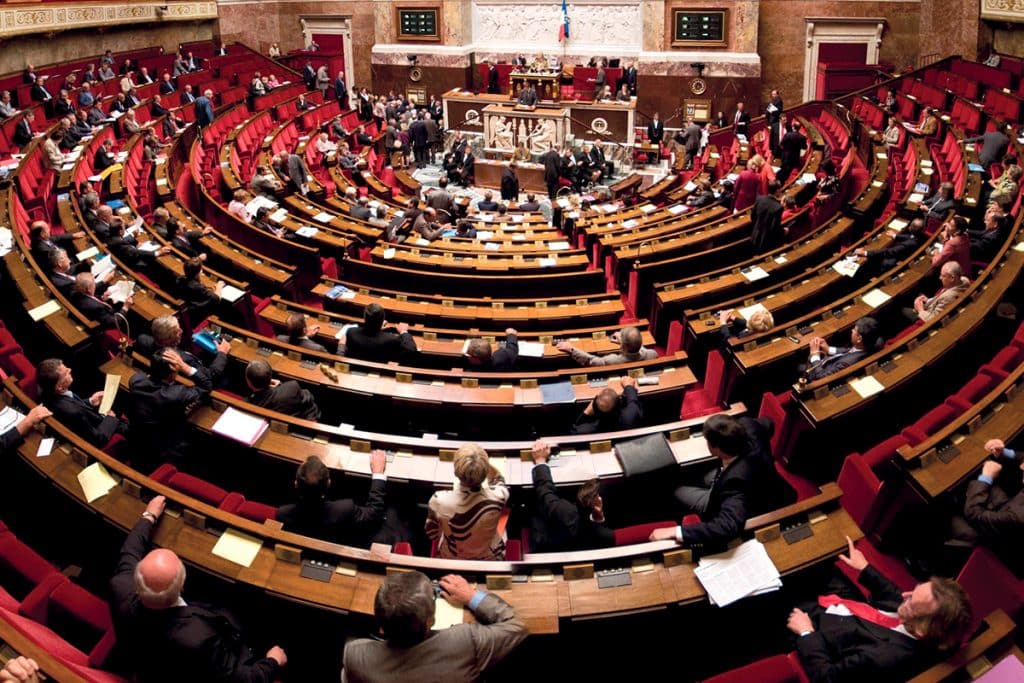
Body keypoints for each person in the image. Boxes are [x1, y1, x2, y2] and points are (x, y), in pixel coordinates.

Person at [109, 495, 287, 682]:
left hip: (144, 661)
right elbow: (243, 678)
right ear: (183, 585)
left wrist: (149, 516)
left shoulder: (120, 586)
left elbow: (130, 550)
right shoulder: (199, 637)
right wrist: (272, 661)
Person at [786, 537, 972, 683]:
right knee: (820, 561)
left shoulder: (880, 658)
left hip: (821, 626)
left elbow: (827, 677)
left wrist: (806, 633)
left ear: (921, 630)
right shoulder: (938, 626)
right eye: (914, 590)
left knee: (785, 584)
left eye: (911, 602)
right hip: (857, 611)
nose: (904, 595)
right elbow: (897, 595)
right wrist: (865, 567)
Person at [341, 570, 526, 682]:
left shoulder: (354, 656)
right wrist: (471, 596)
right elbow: (519, 625)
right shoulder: (466, 642)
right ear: (430, 621)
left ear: (380, 625)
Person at [651, 414, 797, 551]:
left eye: (707, 440)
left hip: (738, 497)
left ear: (717, 449)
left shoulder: (736, 483)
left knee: (677, 490)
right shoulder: (748, 425)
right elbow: (768, 423)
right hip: (750, 476)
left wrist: (676, 531)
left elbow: (727, 526)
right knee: (701, 476)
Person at [425, 444, 510, 560]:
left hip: (451, 557)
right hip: (490, 556)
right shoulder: (500, 496)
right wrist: (480, 465)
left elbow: (432, 534)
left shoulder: (438, 500)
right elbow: (499, 479)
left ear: (455, 472)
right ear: (485, 474)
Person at [951, 438, 1024, 572]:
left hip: (999, 538)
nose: (1022, 466)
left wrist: (986, 477)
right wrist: (1004, 452)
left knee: (950, 513)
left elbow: (974, 513)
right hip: (1007, 508)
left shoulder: (1018, 516)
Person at [529, 440, 615, 552]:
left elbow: (544, 490)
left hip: (547, 545)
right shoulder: (606, 536)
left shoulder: (564, 512)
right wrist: (598, 517)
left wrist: (540, 461)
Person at [37, 358, 126, 447]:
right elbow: (98, 439)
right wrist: (110, 418)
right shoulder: (74, 413)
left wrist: (90, 401)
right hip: (103, 429)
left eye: (66, 368)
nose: (70, 370)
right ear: (59, 387)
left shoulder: (46, 392)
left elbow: (72, 404)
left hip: (88, 419)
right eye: (66, 373)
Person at [803, 317, 880, 382]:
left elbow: (821, 376)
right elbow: (849, 351)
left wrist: (815, 355)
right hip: (830, 360)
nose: (852, 330)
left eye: (855, 330)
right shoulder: (871, 343)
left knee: (799, 366)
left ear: (859, 339)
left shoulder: (847, 363)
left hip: (819, 371)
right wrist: (828, 349)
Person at [339, 303, 418, 363]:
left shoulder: (351, 332)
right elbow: (411, 350)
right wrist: (404, 332)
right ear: (383, 319)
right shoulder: (392, 339)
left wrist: (377, 328)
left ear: (364, 318)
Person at [246, 360, 320, 421]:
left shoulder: (250, 405)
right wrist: (281, 385)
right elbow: (309, 399)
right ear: (270, 376)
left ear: (249, 383)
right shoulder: (292, 388)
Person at [571, 376, 643, 434]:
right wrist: (628, 386)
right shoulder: (631, 416)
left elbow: (575, 430)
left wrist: (586, 412)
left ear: (594, 408)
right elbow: (633, 400)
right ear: (620, 405)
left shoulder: (586, 431)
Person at [904, 262, 970, 323]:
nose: (940, 278)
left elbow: (933, 320)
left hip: (925, 317)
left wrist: (920, 310)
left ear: (952, 278)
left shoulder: (948, 297)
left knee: (902, 308)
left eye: (943, 276)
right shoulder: (963, 280)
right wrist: (928, 300)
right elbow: (941, 298)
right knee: (914, 293)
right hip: (931, 306)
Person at [855, 217, 926, 273]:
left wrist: (865, 252)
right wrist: (895, 236)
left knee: (867, 262)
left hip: (891, 262)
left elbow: (888, 252)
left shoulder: (908, 244)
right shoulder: (919, 235)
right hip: (899, 253)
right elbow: (909, 236)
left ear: (910, 228)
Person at [557, 326, 656, 366]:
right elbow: (639, 348)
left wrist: (571, 349)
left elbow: (590, 360)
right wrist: (624, 342)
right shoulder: (652, 354)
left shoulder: (612, 360)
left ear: (625, 347)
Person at [750, 179, 785, 253]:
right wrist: (784, 231)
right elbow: (774, 228)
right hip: (766, 241)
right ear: (777, 190)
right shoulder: (778, 207)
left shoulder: (759, 199)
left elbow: (753, 216)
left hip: (755, 234)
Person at [767, 89, 784, 155]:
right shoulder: (773, 101)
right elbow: (768, 110)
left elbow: (779, 111)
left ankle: (774, 150)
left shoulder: (779, 101)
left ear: (777, 94)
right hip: (771, 120)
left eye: (774, 94)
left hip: (775, 120)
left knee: (774, 136)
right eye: (772, 94)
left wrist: (772, 110)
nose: (773, 96)